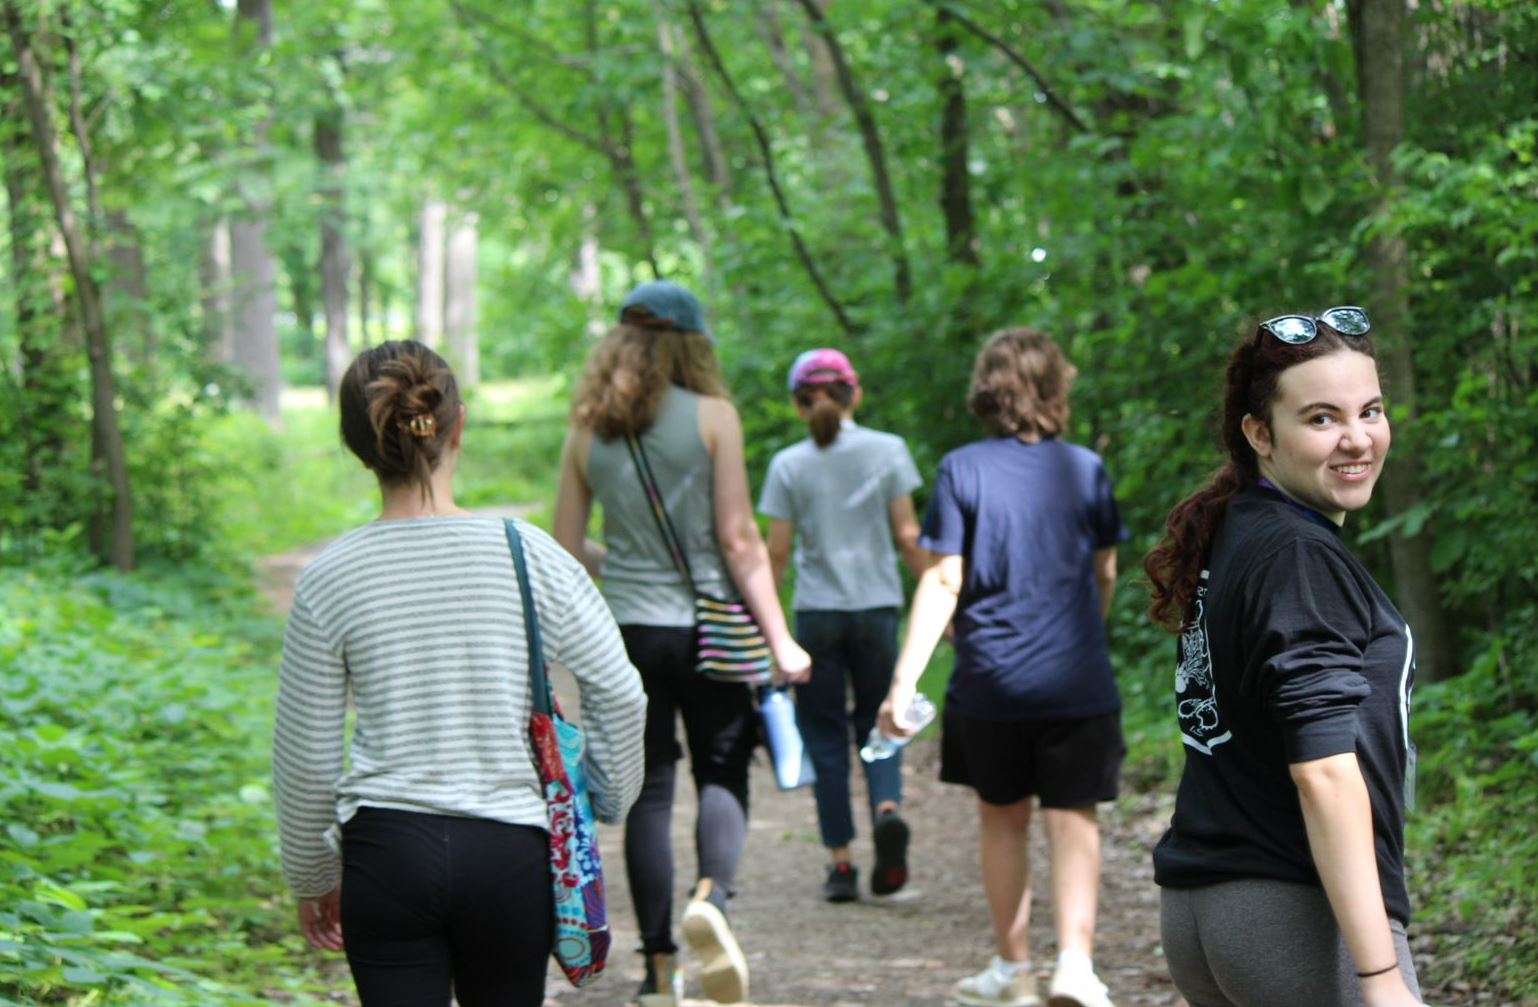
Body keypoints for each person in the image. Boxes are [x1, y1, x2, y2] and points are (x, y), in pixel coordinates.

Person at [272, 340, 647, 1007]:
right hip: (509, 853)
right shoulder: (529, 551)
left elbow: (306, 751)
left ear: (357, 444)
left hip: (385, 856)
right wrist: (609, 795)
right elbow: (618, 688)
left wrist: (312, 873)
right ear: (458, 425)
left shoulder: (329, 576)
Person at [1144, 308, 1426, 1007]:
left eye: (1371, 410)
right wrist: (1381, 976)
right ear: (1261, 434)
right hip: (1292, 915)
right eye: (1323, 419)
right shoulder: (1298, 556)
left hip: (1206, 910)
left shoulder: (1241, 526)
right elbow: (1325, 771)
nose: (1357, 438)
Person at [553, 280, 812, 1007]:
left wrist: (628, 562)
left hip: (629, 634)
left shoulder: (584, 431)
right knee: (722, 770)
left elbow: (568, 549)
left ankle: (659, 969)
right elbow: (737, 539)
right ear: (693, 344)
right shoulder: (714, 417)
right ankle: (711, 902)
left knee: (648, 793)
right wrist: (781, 637)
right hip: (710, 628)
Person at [879, 328, 1126, 1007]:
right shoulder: (1085, 468)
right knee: (1074, 816)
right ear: (1055, 387)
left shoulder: (962, 469)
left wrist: (903, 683)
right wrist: (1085, 632)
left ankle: (1014, 971)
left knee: (1003, 819)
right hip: (1077, 678)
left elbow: (942, 580)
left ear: (986, 390)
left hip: (991, 683)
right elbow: (1105, 570)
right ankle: (1075, 964)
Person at [757, 348, 928, 903]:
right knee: (883, 722)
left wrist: (770, 626)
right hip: (876, 610)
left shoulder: (789, 464)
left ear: (799, 404)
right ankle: (886, 811)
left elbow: (776, 554)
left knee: (825, 739)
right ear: (856, 395)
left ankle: (842, 865)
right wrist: (940, 599)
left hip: (817, 616)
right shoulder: (889, 451)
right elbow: (908, 536)